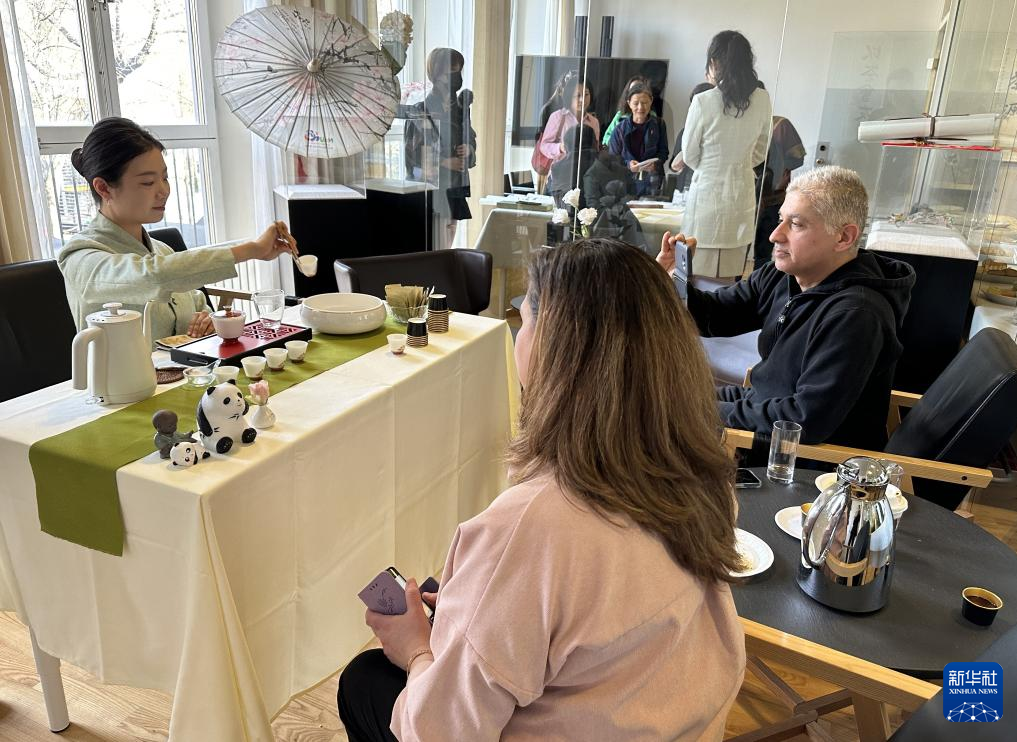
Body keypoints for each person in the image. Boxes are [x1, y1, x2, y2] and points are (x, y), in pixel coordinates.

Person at [337, 240, 746, 741]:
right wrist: (477, 610)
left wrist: (416, 650)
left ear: (557, 350)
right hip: (678, 718)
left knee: (364, 681)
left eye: (524, 318)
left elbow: (437, 731)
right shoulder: (702, 476)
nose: (517, 333)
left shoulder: (533, 527)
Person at [656, 166, 915, 452]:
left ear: (844, 237)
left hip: (803, 461)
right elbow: (712, 317)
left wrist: (700, 412)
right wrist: (670, 279)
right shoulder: (781, 276)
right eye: (781, 220)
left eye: (796, 224)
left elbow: (804, 420)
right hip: (761, 411)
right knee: (655, 401)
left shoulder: (857, 315)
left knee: (652, 435)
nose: (775, 235)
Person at [59, 117, 296, 344]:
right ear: (103, 188)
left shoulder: (162, 250)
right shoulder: (80, 257)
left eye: (165, 178)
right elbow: (152, 276)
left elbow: (197, 303)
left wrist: (207, 320)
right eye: (148, 182)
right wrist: (251, 249)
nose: (163, 191)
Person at [675, 31, 772, 277]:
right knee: (732, 275)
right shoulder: (762, 99)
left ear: (715, 62)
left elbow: (690, 154)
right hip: (741, 195)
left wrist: (712, 167)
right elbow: (761, 150)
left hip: (706, 196)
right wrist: (738, 165)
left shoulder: (703, 101)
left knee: (695, 272)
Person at [403, 47, 476, 249]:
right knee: (436, 241)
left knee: (450, 235)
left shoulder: (460, 109)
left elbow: (470, 136)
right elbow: (412, 155)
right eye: (451, 71)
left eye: (458, 70)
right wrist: (443, 162)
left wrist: (468, 148)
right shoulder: (421, 109)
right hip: (433, 188)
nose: (456, 76)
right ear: (436, 73)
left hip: (455, 185)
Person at [752, 116, 806, 269]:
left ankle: (760, 280)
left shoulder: (780, 125)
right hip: (747, 194)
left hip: (771, 196)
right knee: (741, 246)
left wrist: (779, 171)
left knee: (764, 245)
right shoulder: (744, 122)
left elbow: (797, 159)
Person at [535, 75, 600, 192]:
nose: (582, 100)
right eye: (577, 95)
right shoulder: (558, 117)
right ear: (569, 96)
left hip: (586, 178)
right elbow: (544, 146)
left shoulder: (594, 122)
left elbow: (595, 148)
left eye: (586, 94)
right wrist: (560, 147)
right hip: (561, 178)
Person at [607, 82, 669, 197]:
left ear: (651, 101)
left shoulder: (659, 124)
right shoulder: (620, 129)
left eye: (644, 103)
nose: (640, 107)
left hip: (652, 182)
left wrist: (655, 164)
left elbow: (664, 152)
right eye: (636, 103)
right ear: (629, 103)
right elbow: (613, 158)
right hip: (625, 183)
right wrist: (628, 164)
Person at [668, 82, 715, 193]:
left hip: (707, 189)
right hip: (685, 189)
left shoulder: (718, 134)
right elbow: (674, 166)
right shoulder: (685, 132)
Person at [548, 124, 598, 209]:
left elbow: (556, 198)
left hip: (567, 215)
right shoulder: (601, 163)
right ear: (594, 143)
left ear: (566, 146)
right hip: (597, 215)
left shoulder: (556, 168)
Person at [600, 75, 656, 147]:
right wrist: (617, 143)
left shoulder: (652, 116)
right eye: (633, 88)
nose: (636, 91)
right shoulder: (621, 114)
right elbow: (606, 137)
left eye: (639, 87)